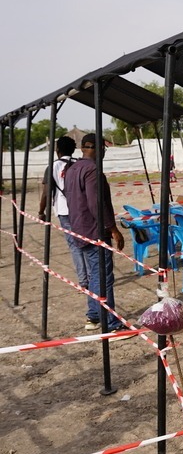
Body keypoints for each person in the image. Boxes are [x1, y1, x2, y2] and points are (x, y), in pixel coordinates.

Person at [64, 133, 130, 333]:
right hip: (94, 231)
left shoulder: (72, 169)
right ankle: (111, 324)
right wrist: (113, 229)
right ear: (94, 147)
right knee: (103, 277)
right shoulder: (92, 170)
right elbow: (96, 204)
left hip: (79, 228)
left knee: (95, 275)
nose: (104, 153)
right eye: (103, 148)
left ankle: (93, 316)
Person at [38, 135, 89, 293]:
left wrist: (41, 211)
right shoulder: (80, 164)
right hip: (81, 209)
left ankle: (83, 280)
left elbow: (46, 193)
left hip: (63, 210)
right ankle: (92, 278)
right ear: (74, 150)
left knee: (74, 246)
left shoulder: (52, 167)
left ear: (57, 150)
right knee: (86, 243)